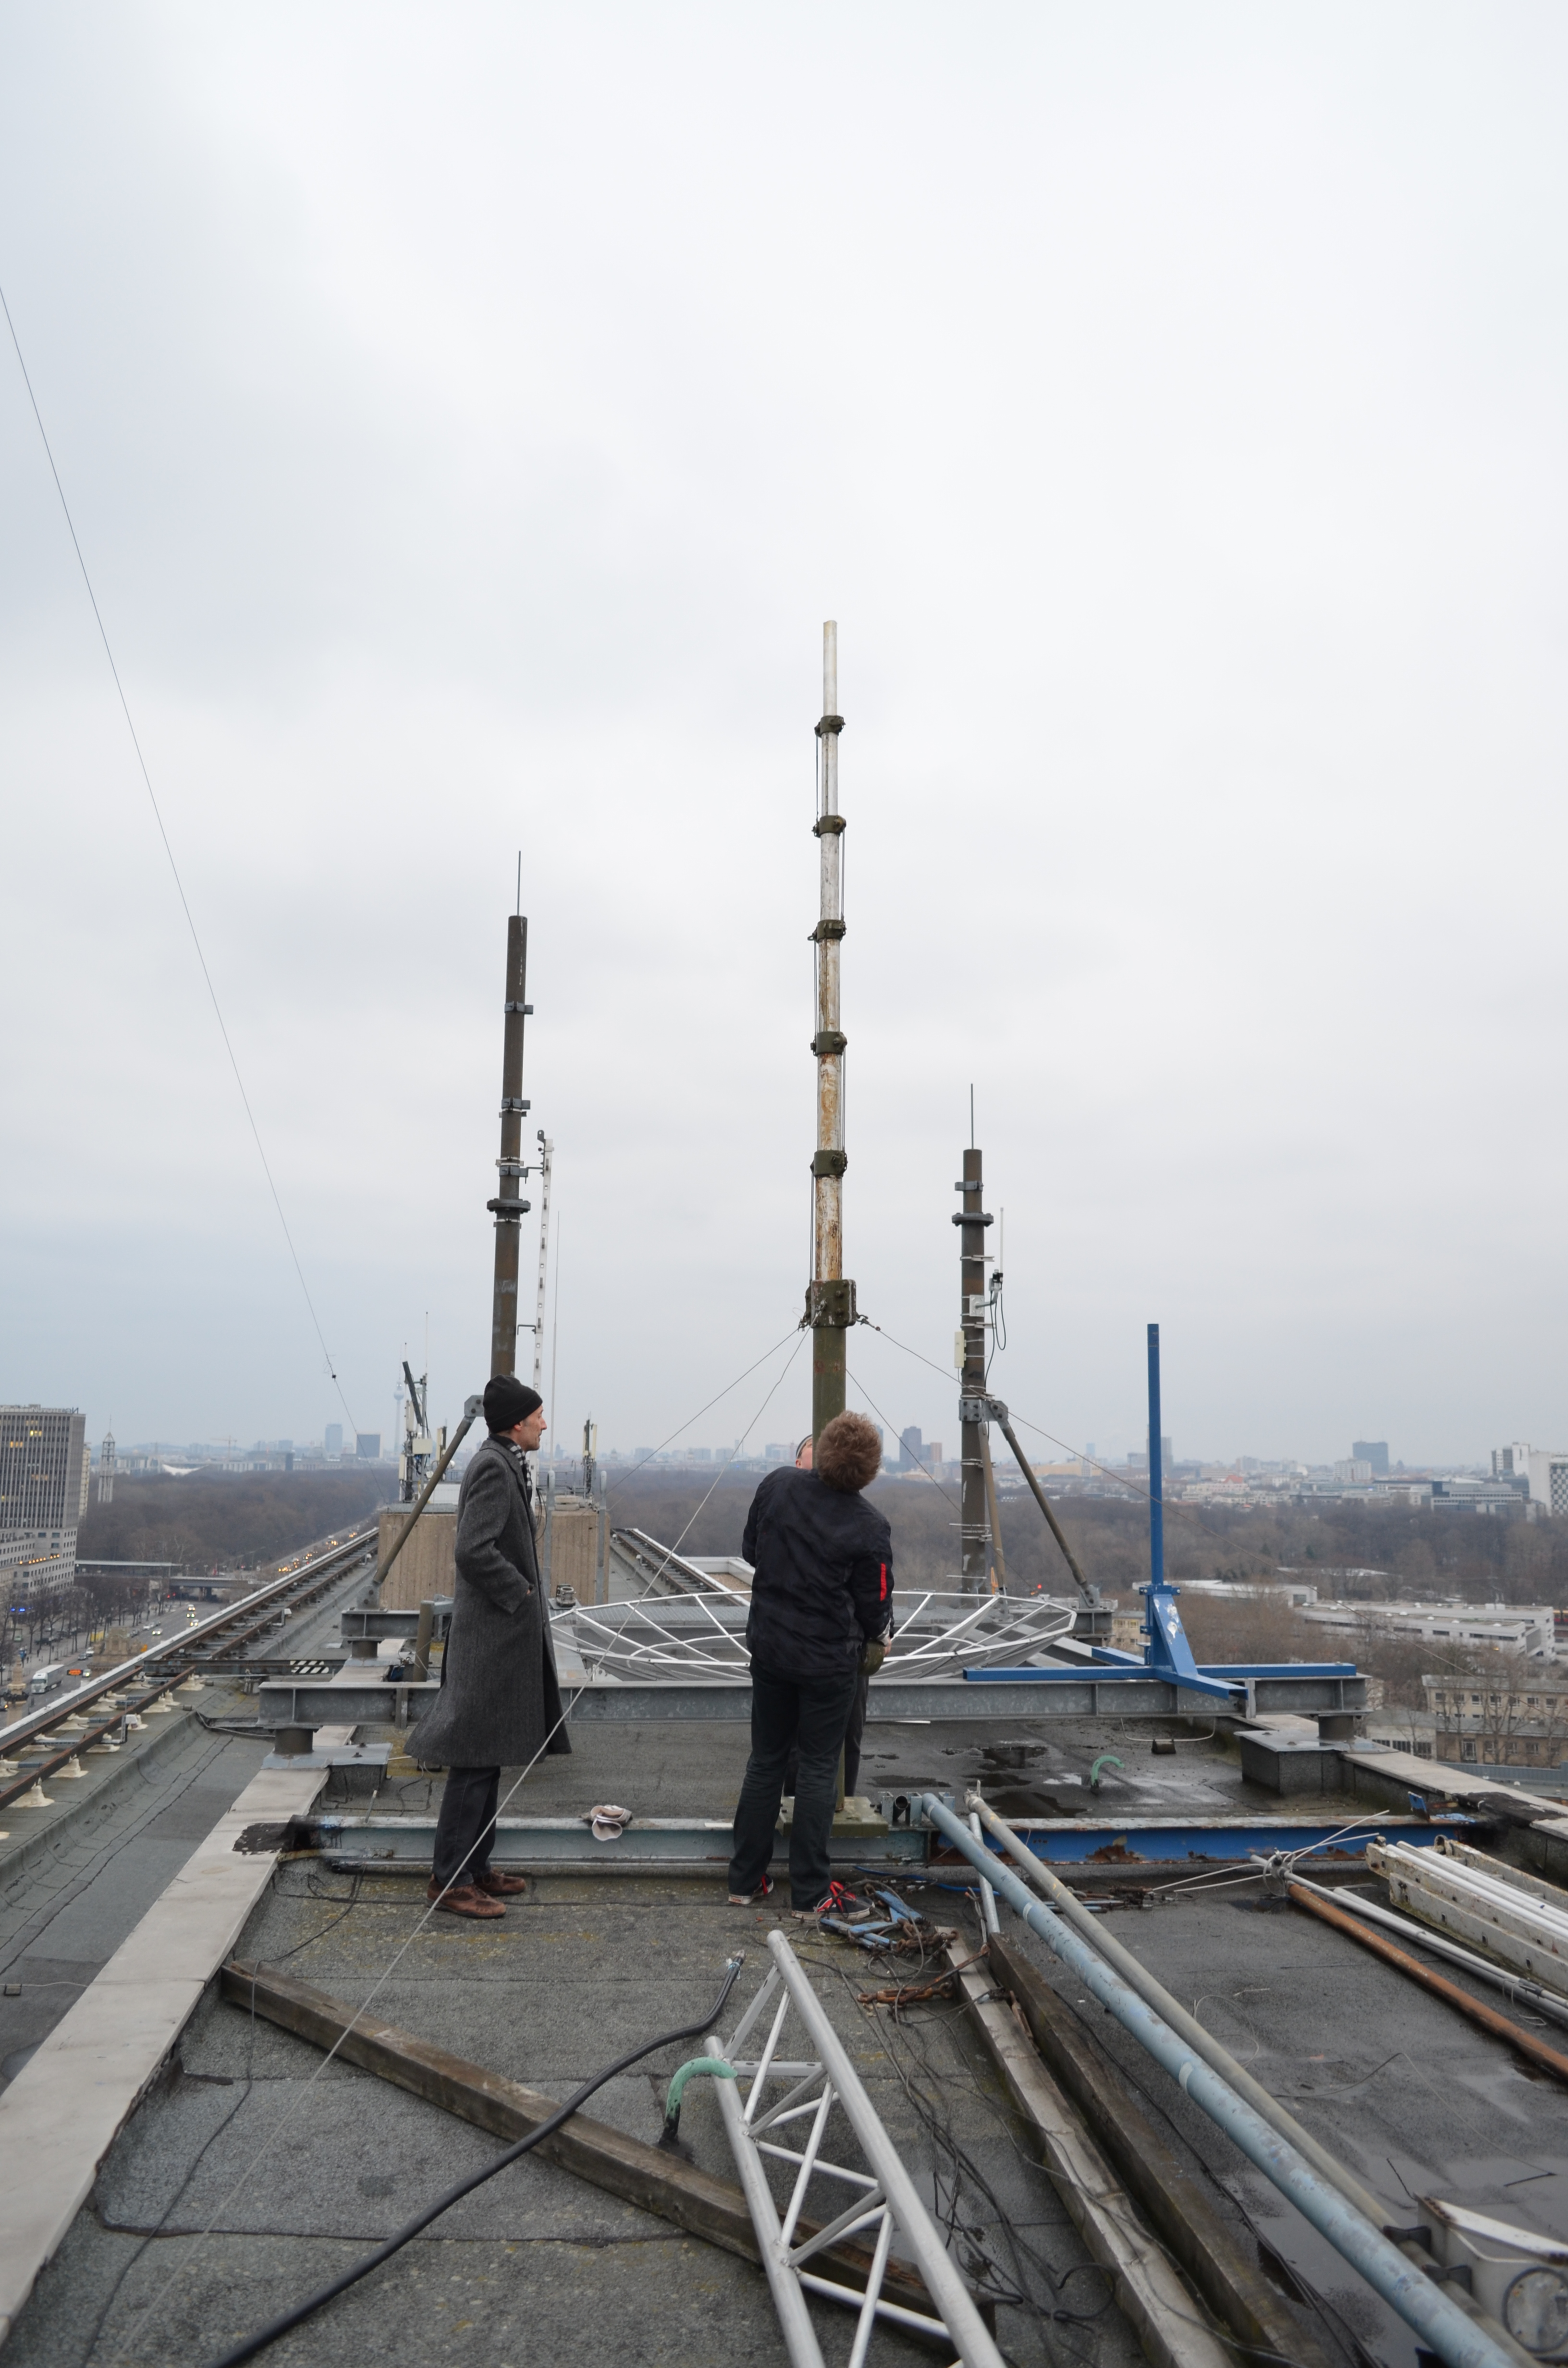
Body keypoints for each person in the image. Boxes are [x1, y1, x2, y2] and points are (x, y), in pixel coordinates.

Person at [407, 1375, 571, 1920]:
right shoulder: (493, 1467)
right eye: (539, 1415)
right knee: (472, 1761)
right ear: (517, 1422)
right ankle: (449, 1879)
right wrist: (521, 1594)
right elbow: (472, 1551)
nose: (545, 1424)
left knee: (487, 1758)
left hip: (499, 1640)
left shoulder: (502, 1462)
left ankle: (476, 1870)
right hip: (490, 1641)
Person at [728, 1409, 893, 1917]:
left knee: (766, 1759)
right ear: (869, 1470)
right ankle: (811, 1893)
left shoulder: (777, 1485)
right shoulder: (869, 1525)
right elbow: (875, 1604)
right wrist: (880, 1636)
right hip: (827, 1663)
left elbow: (750, 1548)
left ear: (820, 1449)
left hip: (771, 1649)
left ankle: (745, 1879)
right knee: (821, 1766)